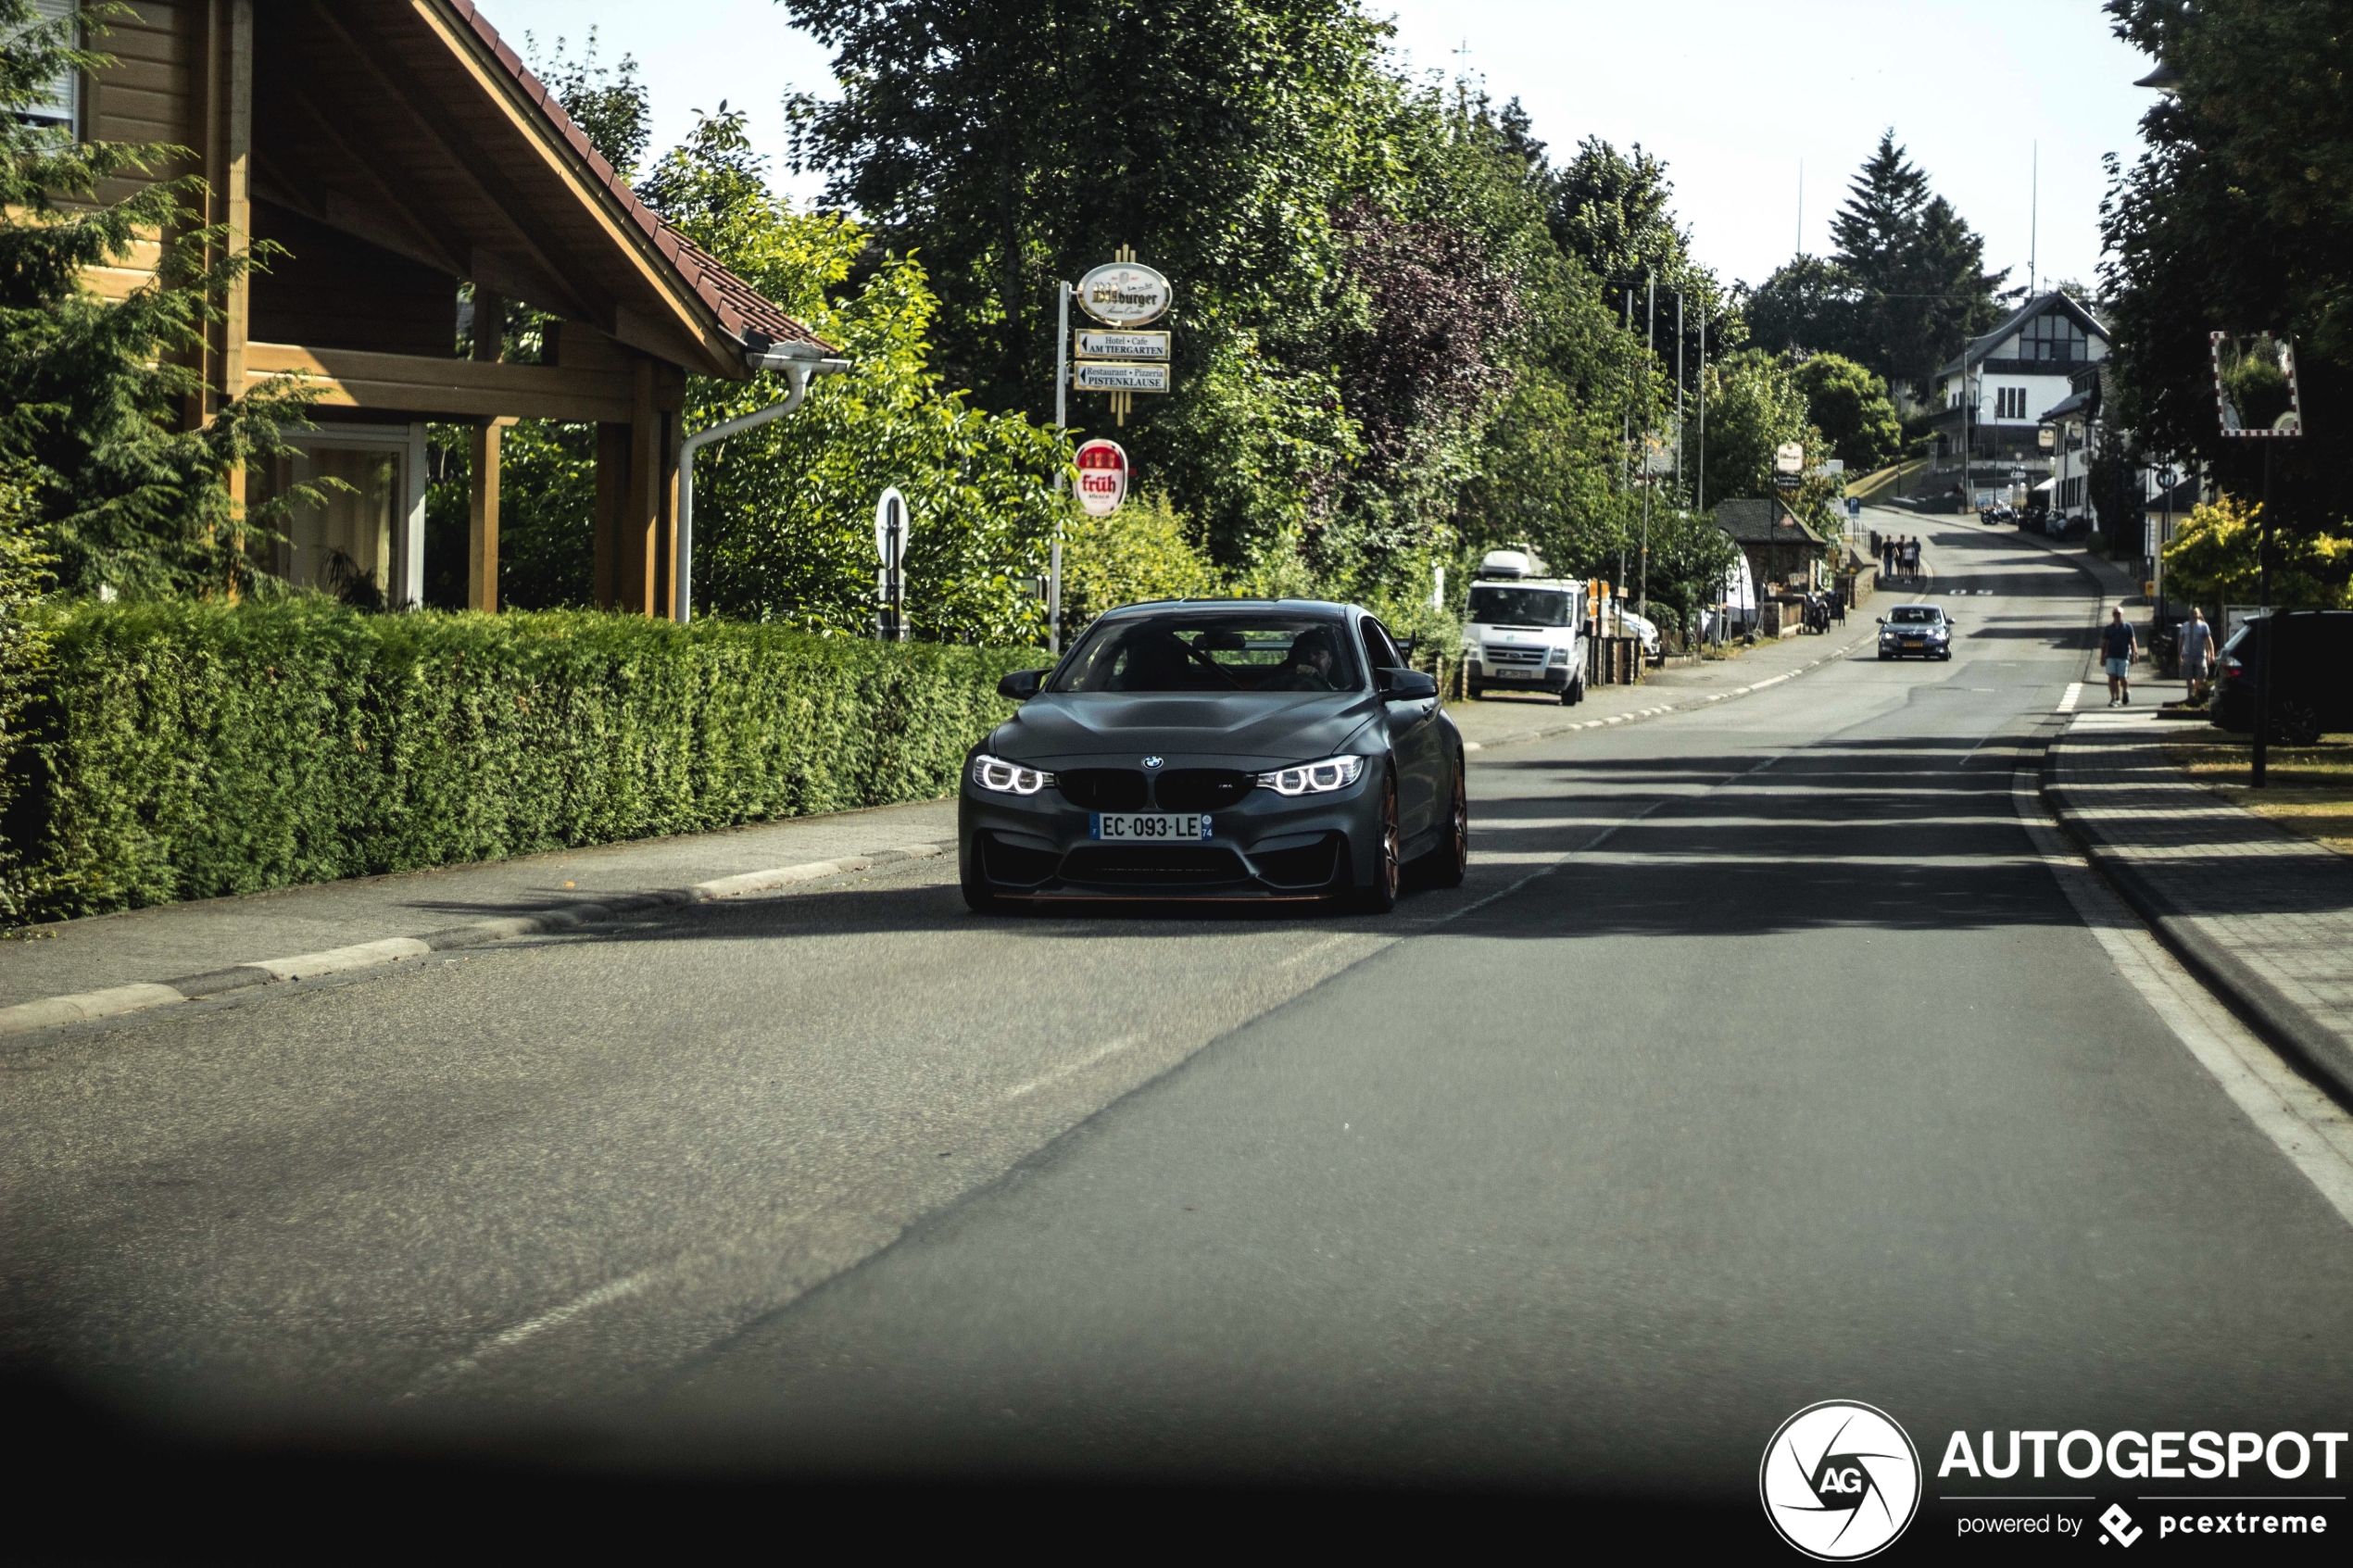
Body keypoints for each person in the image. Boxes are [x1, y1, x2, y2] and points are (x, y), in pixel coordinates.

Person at [2101, 608, 2139, 707]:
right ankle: (2114, 698)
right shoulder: (2108, 628)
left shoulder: (2127, 627)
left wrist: (2135, 654)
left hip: (2123, 656)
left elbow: (2133, 641)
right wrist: (2102, 656)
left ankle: (2126, 691)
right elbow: (2105, 643)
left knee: (2123, 678)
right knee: (2112, 677)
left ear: (2122, 614)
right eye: (2115, 613)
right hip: (2111, 656)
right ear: (2112, 615)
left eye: (2119, 614)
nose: (2117, 615)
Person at [2179, 607, 2215, 706]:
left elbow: (2209, 641)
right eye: (2192, 613)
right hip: (2187, 655)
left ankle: (2196, 694)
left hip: (2200, 656)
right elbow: (2181, 641)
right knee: (2189, 679)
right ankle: (2191, 696)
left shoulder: (2203, 626)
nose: (2193, 615)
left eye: (2195, 613)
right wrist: (2179, 655)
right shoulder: (2185, 626)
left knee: (2201, 677)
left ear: (2198, 614)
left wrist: (2211, 654)